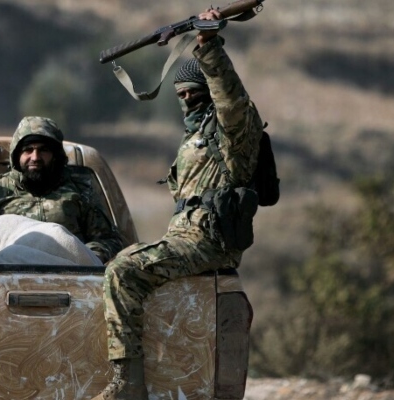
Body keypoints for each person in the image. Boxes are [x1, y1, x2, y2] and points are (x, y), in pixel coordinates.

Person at [92, 9, 264, 400]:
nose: (187, 101)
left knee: (123, 271)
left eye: (194, 94)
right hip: (186, 237)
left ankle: (126, 386)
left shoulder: (233, 133)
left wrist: (208, 44)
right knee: (114, 262)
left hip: (209, 240)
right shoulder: (195, 139)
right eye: (181, 96)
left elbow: (230, 99)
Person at [0, 116, 126, 263]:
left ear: (55, 155)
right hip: (8, 278)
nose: (35, 157)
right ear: (17, 155)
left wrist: (85, 257)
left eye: (43, 150)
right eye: (28, 150)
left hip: (70, 279)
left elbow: (109, 241)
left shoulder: (81, 189)